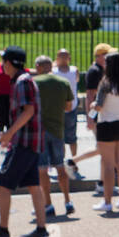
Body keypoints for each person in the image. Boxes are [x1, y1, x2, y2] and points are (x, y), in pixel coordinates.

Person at [0, 47, 49, 237]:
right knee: (34, 185)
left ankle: (3, 230)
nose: (2, 65)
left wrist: (9, 134)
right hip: (31, 142)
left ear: (10, 63)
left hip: (24, 143)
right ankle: (41, 228)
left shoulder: (21, 82)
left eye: (4, 62)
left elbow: (28, 111)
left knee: (2, 184)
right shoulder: (23, 80)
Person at [32, 55, 75, 219]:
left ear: (39, 66)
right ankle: (67, 201)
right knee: (60, 167)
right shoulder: (62, 82)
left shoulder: (35, 82)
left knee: (42, 169)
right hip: (57, 129)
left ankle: (48, 204)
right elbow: (68, 106)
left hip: (40, 130)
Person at [92, 51, 119, 212]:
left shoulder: (106, 83)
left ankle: (107, 201)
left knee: (108, 165)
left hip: (107, 125)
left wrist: (91, 107)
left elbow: (99, 106)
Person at [76, 43, 112, 194]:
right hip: (97, 115)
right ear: (100, 56)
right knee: (104, 149)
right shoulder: (94, 71)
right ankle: (72, 161)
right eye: (107, 55)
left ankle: (102, 182)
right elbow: (90, 96)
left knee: (105, 150)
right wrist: (90, 118)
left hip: (102, 114)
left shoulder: (101, 70)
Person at [54, 49, 84, 180]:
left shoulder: (74, 70)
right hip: (58, 108)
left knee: (71, 137)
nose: (63, 58)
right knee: (60, 137)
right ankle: (62, 162)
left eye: (65, 56)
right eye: (61, 56)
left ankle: (73, 161)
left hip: (71, 107)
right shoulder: (54, 71)